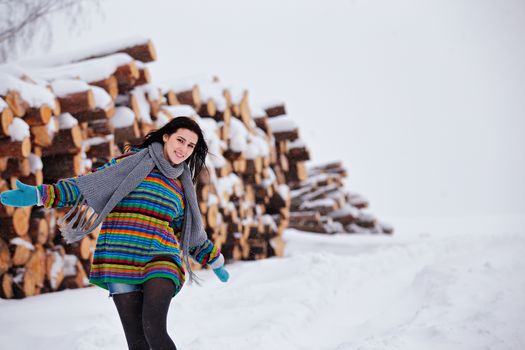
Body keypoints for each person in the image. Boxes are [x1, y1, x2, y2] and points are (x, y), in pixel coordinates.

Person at [0, 116, 230, 350]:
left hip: (161, 256)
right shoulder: (129, 164)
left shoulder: (181, 185)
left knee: (154, 326)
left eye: (190, 146)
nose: (184, 149)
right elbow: (86, 187)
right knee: (137, 342)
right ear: (166, 137)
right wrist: (40, 194)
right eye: (180, 140)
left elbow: (187, 231)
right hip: (120, 256)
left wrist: (213, 258)